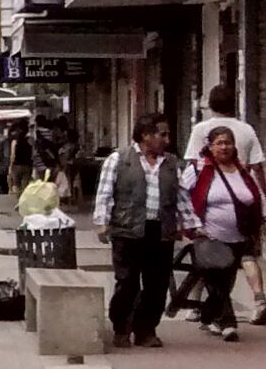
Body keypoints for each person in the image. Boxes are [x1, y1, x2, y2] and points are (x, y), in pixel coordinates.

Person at [94, 112, 183, 349]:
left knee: (157, 283)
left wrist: (191, 225)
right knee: (128, 282)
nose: (167, 139)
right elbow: (105, 193)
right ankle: (121, 327)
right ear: (145, 135)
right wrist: (102, 222)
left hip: (160, 230)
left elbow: (181, 197)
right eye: (162, 134)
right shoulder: (119, 159)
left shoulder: (171, 163)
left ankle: (146, 329)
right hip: (128, 230)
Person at [184, 83, 266, 323]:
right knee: (248, 254)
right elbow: (257, 167)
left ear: (210, 105)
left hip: (213, 199)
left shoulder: (201, 129)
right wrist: (261, 196)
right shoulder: (247, 130)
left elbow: (192, 165)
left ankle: (199, 305)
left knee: (209, 256)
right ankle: (259, 299)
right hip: (245, 199)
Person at [180, 124, 257, 342]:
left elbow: (256, 195)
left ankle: (209, 315)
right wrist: (192, 225)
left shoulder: (243, 171)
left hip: (239, 236)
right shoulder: (199, 170)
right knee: (216, 279)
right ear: (210, 147)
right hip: (209, 236)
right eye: (219, 143)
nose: (224, 147)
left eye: (228, 143)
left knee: (226, 282)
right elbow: (182, 196)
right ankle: (228, 323)